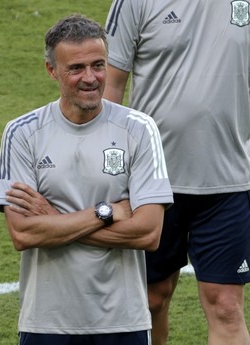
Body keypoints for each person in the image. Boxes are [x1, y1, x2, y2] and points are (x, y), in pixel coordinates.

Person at [0, 14, 173, 345]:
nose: (90, 78)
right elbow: (23, 232)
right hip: (46, 323)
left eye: (98, 65)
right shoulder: (22, 133)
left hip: (123, 321)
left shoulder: (139, 130)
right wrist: (106, 212)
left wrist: (55, 222)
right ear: (51, 71)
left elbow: (148, 233)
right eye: (76, 68)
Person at [103, 1, 250, 344]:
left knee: (226, 304)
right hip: (151, 180)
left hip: (228, 181)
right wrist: (110, 169)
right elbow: (109, 84)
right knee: (151, 299)